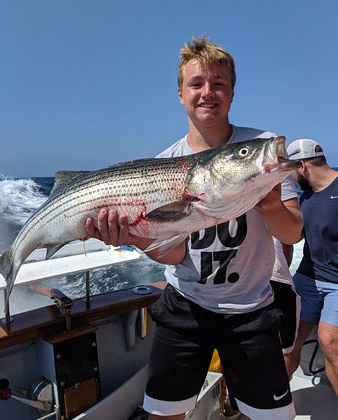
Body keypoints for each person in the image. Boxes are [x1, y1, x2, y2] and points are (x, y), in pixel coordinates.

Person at [86, 37, 303, 419]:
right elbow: (174, 252)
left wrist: (269, 205)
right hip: (186, 305)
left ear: (233, 92)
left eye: (219, 83)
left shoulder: (261, 148)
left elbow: (291, 234)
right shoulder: (164, 165)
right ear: (180, 93)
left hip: (252, 309)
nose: (208, 93)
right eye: (197, 84)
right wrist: (135, 239)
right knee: (163, 415)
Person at [284, 139, 338, 395]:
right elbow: (292, 237)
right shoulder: (304, 198)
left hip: (337, 285)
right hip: (307, 278)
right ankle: (275, 405)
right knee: (288, 342)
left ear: (302, 166)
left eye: (291, 172)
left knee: (330, 340)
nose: (291, 179)